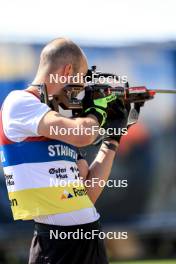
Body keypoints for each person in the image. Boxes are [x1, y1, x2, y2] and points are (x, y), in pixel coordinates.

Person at [0, 38, 135, 264]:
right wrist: (98, 109)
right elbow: (83, 134)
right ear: (67, 70)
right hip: (56, 245)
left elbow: (86, 194)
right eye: (80, 82)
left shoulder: (54, 123)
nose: (80, 92)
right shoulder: (20, 102)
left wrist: (113, 137)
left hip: (89, 239)